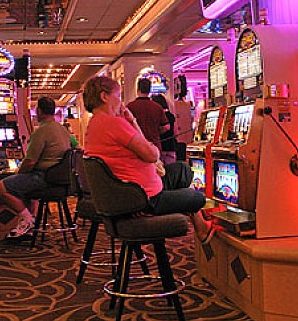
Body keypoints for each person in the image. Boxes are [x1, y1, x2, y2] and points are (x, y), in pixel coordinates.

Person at [82, 76, 215, 245]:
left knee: (182, 170)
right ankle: (198, 223)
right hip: (143, 199)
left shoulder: (94, 124)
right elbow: (152, 155)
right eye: (118, 96)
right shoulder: (113, 124)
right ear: (104, 96)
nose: (121, 102)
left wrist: (132, 121)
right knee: (197, 198)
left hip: (131, 194)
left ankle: (198, 223)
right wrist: (131, 124)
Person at [0, 96, 73, 238]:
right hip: (59, 180)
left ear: (39, 111)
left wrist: (18, 173)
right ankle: (30, 222)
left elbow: (30, 162)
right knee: (24, 187)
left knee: (1, 187)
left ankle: (28, 220)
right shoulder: (63, 130)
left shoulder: (41, 131)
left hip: (44, 177)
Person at [127, 78, 170, 153]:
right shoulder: (157, 107)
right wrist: (156, 132)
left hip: (136, 147)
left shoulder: (130, 107)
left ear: (138, 89)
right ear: (149, 90)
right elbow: (166, 127)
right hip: (154, 146)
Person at [151, 94, 178, 165]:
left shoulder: (155, 117)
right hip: (171, 147)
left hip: (159, 147)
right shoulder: (171, 116)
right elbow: (176, 132)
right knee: (170, 169)